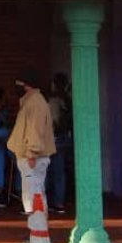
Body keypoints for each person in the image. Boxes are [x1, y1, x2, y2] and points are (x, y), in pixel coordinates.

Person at [7, 69, 55, 215]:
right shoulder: (32, 101)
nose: (17, 86)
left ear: (27, 85)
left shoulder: (34, 103)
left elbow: (35, 129)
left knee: (33, 197)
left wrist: (32, 153)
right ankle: (36, 233)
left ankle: (37, 234)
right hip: (30, 157)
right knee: (34, 195)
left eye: (19, 83)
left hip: (32, 158)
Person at [47, 73, 74, 214]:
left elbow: (52, 122)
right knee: (60, 172)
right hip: (66, 138)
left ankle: (51, 201)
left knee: (48, 170)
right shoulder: (68, 99)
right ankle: (59, 202)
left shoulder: (53, 101)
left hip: (54, 138)